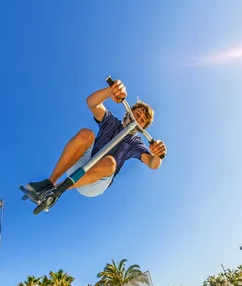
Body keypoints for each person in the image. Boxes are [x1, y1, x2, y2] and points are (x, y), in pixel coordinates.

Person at [24, 79, 167, 200]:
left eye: (142, 121)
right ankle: (49, 183)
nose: (138, 120)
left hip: (96, 182)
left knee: (111, 162)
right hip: (80, 166)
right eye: (137, 114)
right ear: (128, 112)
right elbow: (92, 103)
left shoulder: (135, 144)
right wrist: (109, 92)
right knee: (87, 134)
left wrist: (158, 155)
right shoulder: (111, 122)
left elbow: (152, 163)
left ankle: (57, 190)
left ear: (143, 127)